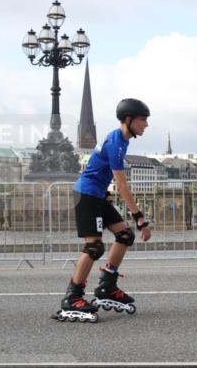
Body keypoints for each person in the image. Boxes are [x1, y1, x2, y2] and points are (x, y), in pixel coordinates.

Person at [53, 98, 153, 323]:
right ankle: (73, 296)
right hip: (86, 194)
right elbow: (123, 185)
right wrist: (140, 217)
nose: (146, 124)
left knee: (124, 236)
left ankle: (107, 284)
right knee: (94, 246)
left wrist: (103, 190)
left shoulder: (122, 139)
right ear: (128, 119)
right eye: (143, 119)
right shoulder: (116, 143)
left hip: (97, 193)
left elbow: (98, 167)